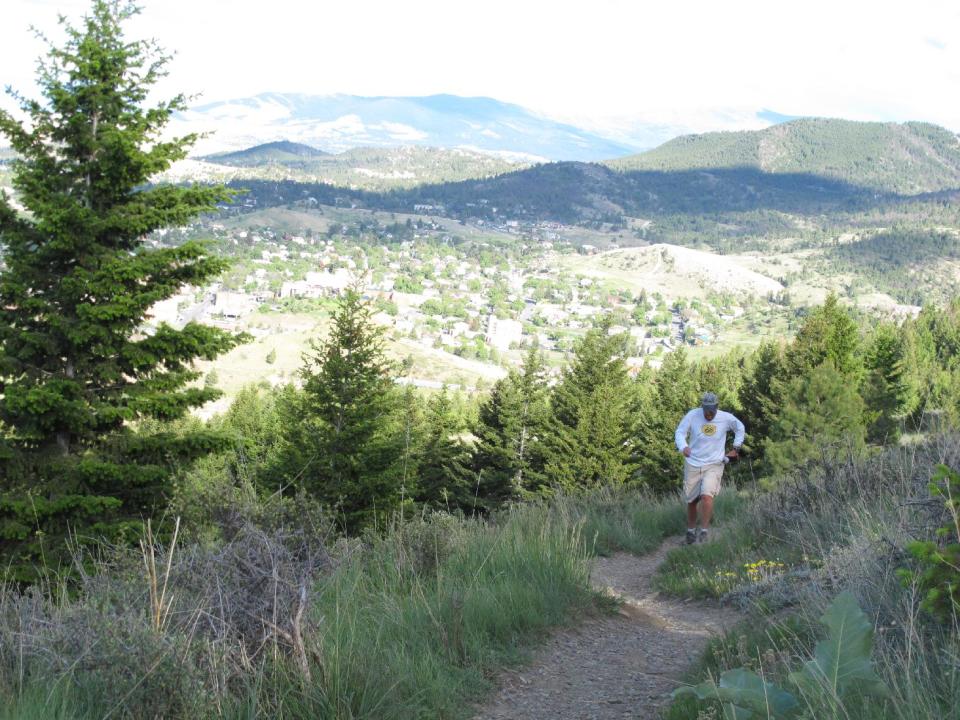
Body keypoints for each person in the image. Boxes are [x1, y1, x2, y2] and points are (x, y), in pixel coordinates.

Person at [674, 392, 745, 544]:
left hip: (715, 463)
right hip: (693, 462)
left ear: (717, 407)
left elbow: (740, 428)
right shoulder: (693, 415)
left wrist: (736, 447)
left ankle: (704, 532)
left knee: (707, 495)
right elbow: (680, 432)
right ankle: (691, 532)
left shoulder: (725, 418)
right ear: (702, 407)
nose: (709, 414)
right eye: (706, 410)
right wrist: (683, 446)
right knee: (692, 500)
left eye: (712, 410)